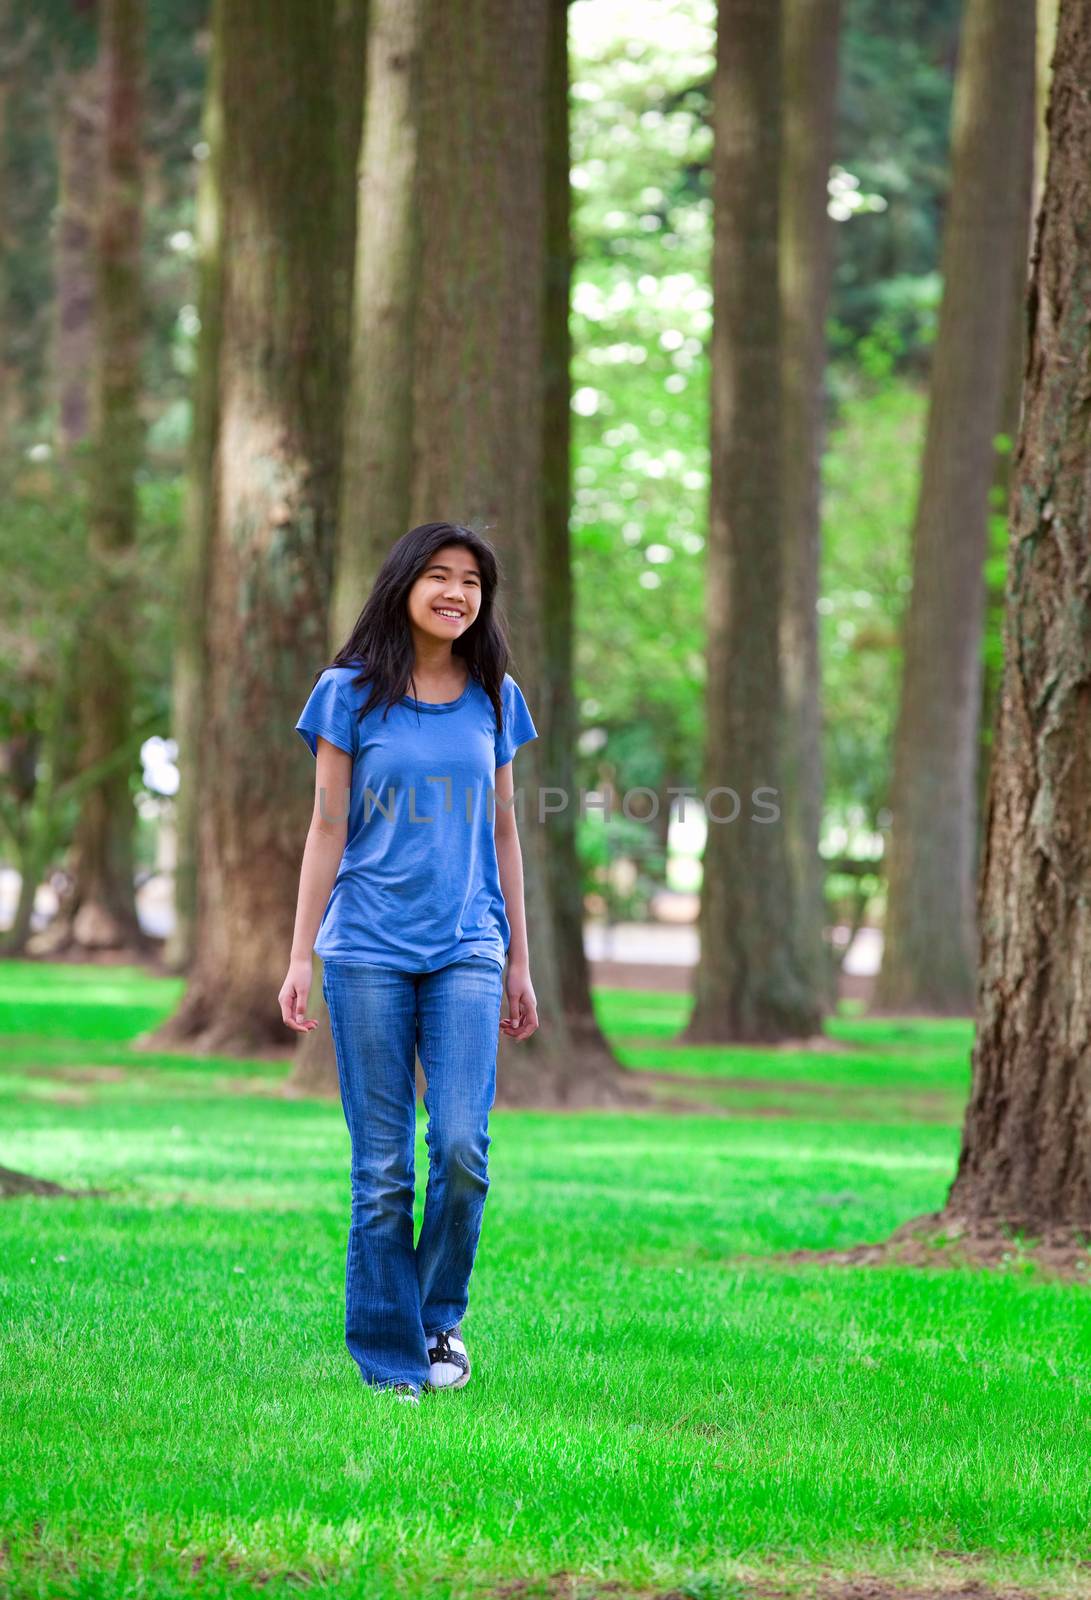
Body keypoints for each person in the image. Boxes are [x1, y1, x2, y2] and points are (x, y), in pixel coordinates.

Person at [279, 521, 540, 1407]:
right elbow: (325, 828)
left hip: (468, 940)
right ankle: (393, 1359)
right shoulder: (347, 693)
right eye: (438, 575)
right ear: (403, 585)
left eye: (471, 581)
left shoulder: (495, 697)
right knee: (383, 1167)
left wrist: (519, 959)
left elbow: (504, 831)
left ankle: (437, 1318)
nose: (456, 593)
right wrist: (299, 955)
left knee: (463, 1148)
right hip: (365, 949)